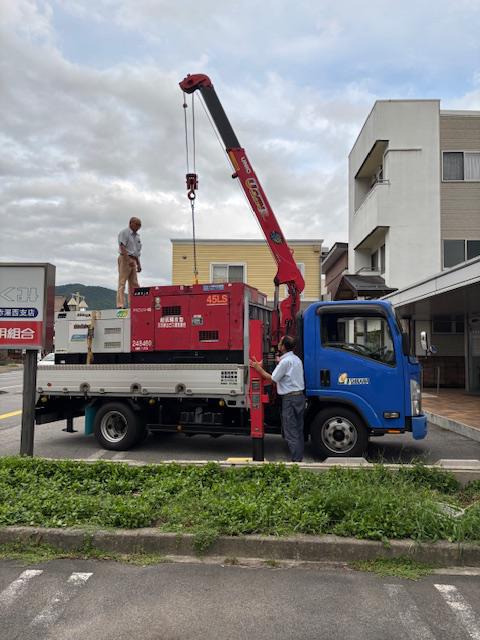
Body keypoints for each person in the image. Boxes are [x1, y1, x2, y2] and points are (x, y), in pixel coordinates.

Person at [250, 335, 305, 462]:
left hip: (289, 399)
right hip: (299, 397)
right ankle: (299, 457)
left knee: (290, 431)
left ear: (283, 347)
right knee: (298, 429)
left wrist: (258, 368)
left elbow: (273, 379)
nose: (278, 344)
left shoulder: (285, 362)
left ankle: (296, 461)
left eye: (280, 342)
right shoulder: (296, 359)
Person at [117, 217, 142, 309]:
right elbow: (122, 246)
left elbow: (136, 252)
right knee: (122, 281)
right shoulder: (124, 232)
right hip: (125, 257)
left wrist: (138, 264)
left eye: (139, 225)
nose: (138, 227)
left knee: (134, 283)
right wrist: (128, 260)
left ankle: (133, 304)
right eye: (137, 224)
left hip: (134, 259)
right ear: (131, 223)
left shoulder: (137, 237)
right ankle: (120, 304)